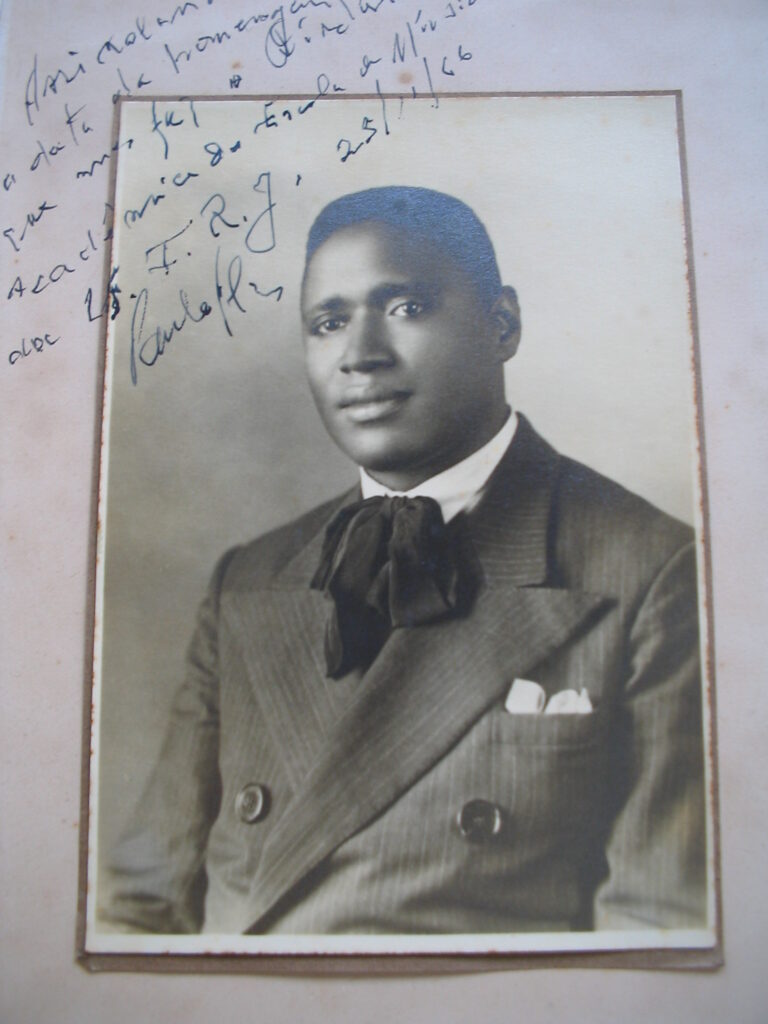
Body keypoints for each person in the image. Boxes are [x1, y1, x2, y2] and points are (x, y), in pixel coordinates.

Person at [102, 186, 707, 936]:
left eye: (406, 309)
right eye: (328, 323)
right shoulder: (249, 581)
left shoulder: (653, 569)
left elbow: (656, 937)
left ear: (503, 324)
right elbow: (139, 911)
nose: (360, 357)